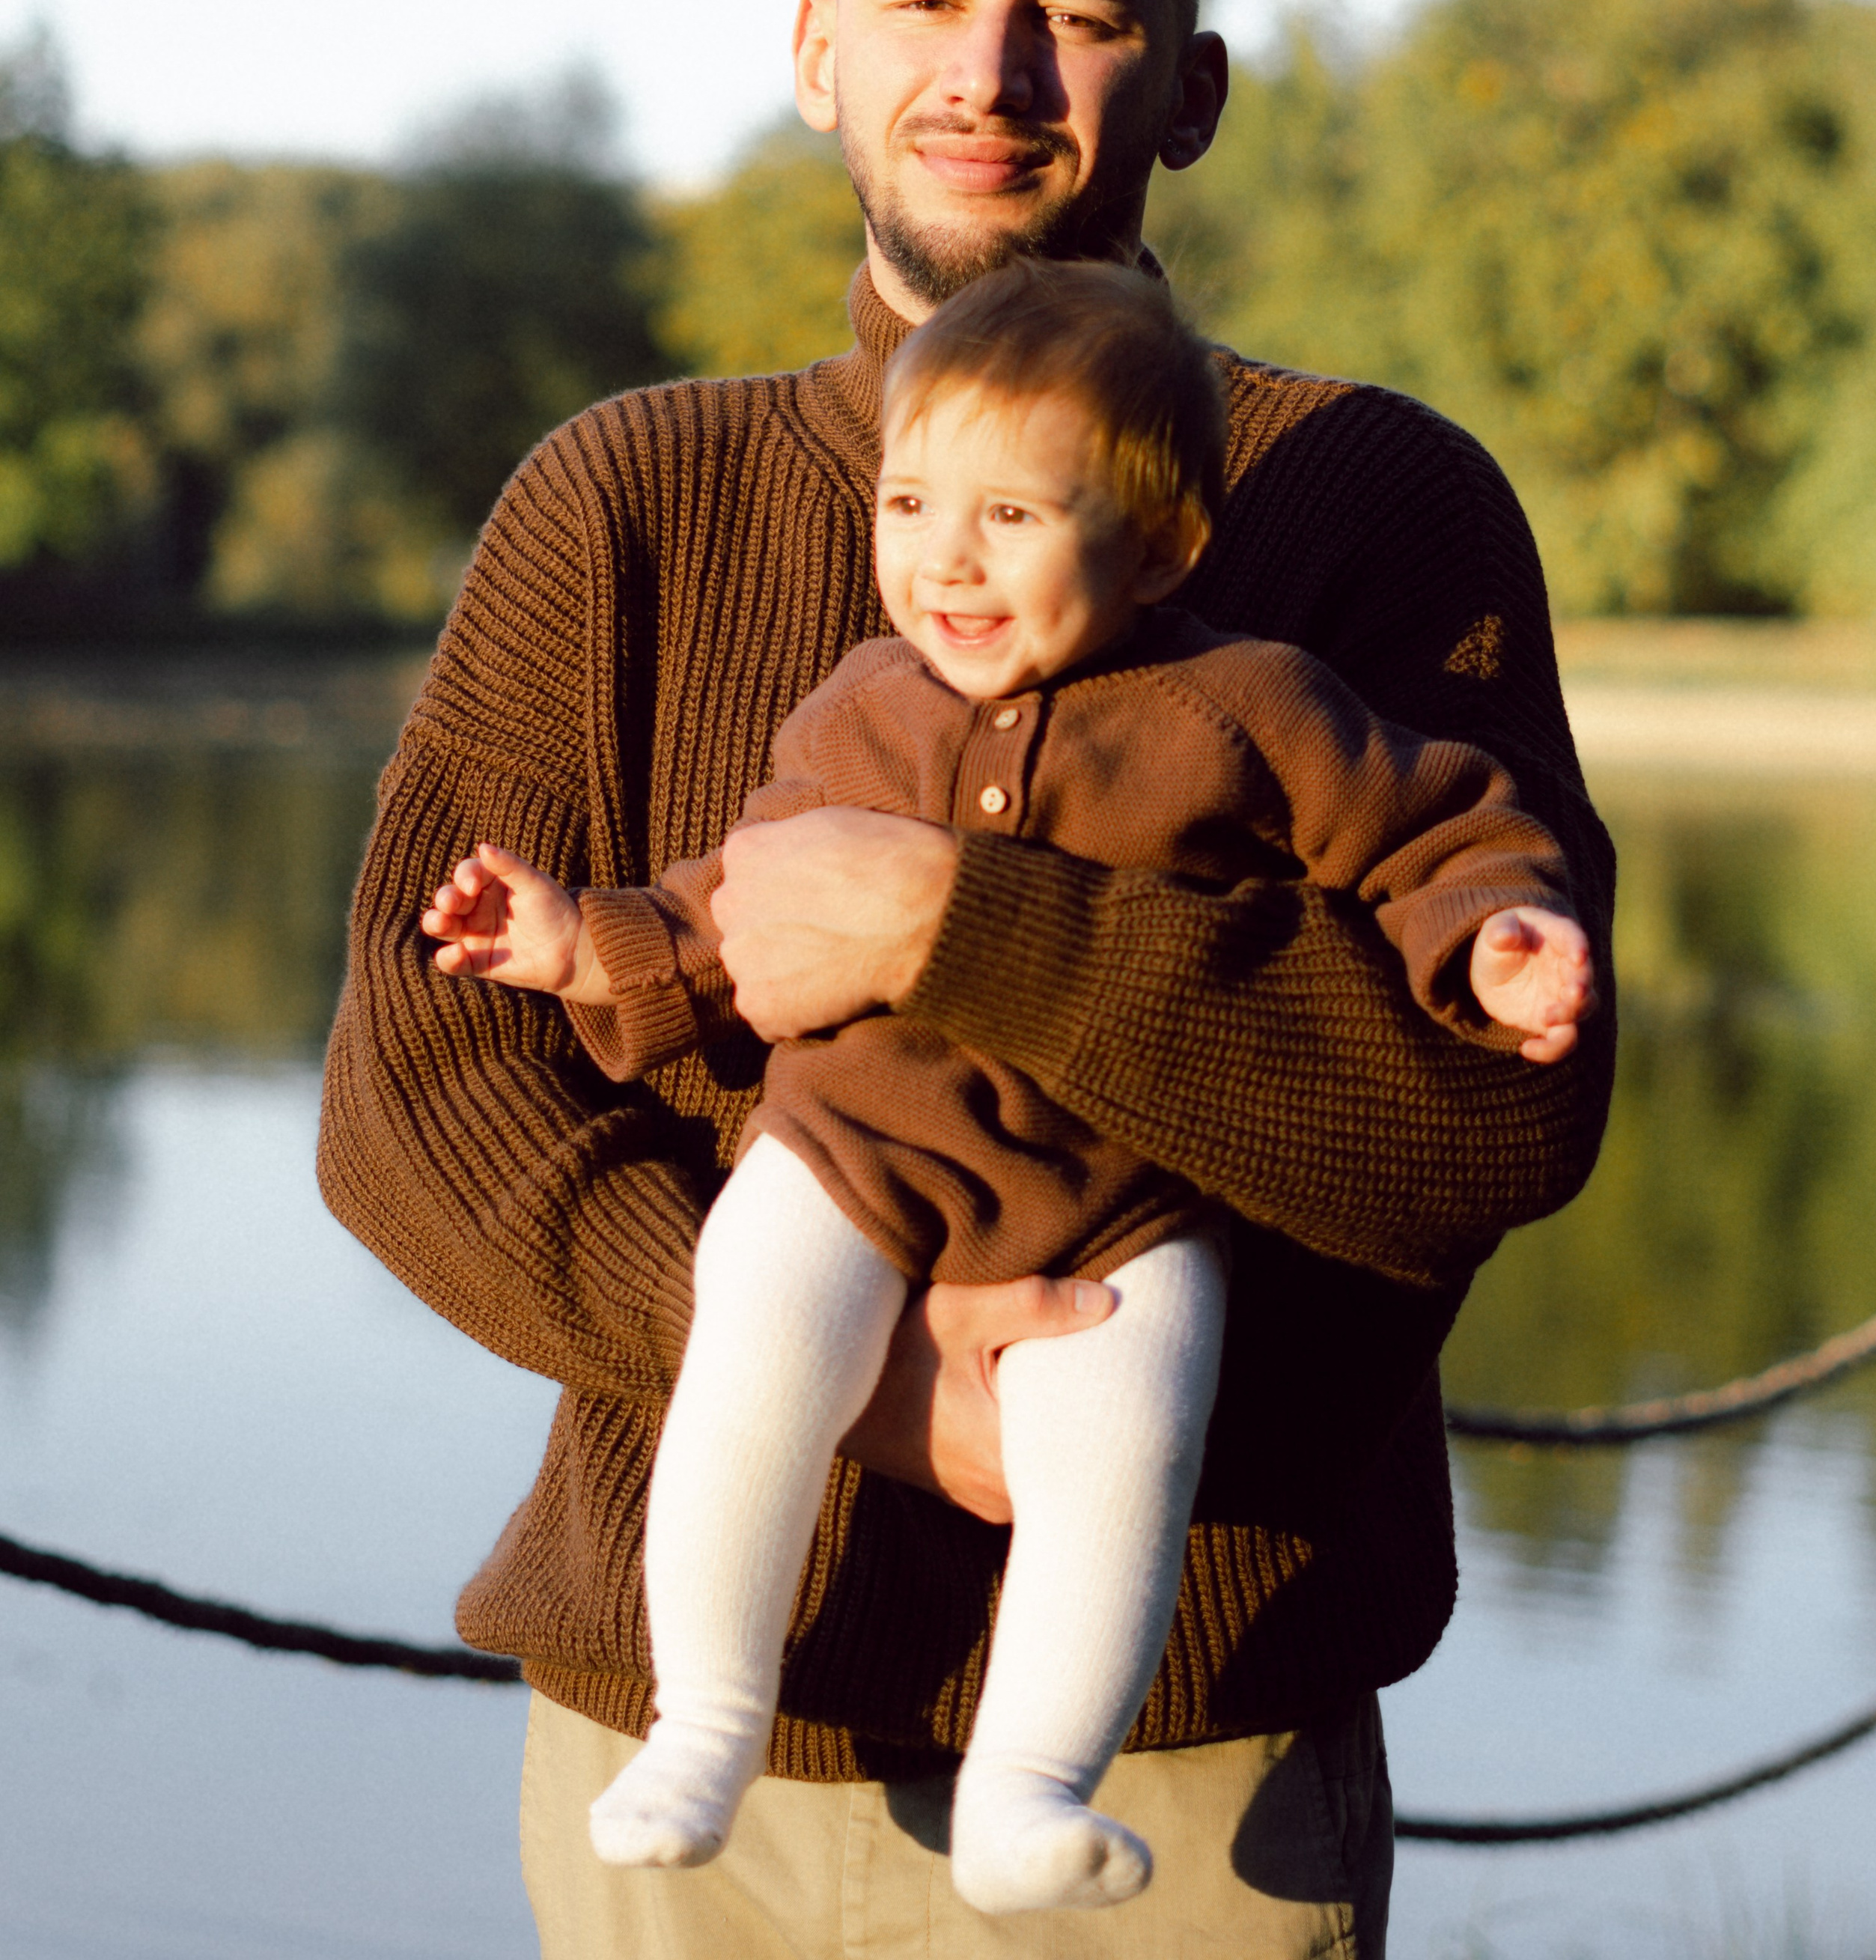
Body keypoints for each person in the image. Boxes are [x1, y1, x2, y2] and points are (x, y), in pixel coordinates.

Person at [320, 0, 1615, 1958]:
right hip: (676, 1772)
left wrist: (961, 925)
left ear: (1188, 88)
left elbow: (1492, 1118)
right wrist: (867, 1382)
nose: (991, 69)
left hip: (1183, 1774)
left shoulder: (1378, 507)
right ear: (820, 50)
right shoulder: (624, 496)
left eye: (1080, 17)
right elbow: (414, 1100)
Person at [419, 263, 1595, 1920]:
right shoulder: (852, 696)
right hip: (849, 1152)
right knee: (751, 1326)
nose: (945, 558)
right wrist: (575, 943)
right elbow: (718, 912)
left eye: (1011, 515)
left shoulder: (1244, 707)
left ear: (1159, 545)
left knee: (1121, 1435)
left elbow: (1429, 832)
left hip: (1115, 1207)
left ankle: (1031, 1786)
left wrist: (1496, 931)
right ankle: (706, 1712)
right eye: (908, 504)